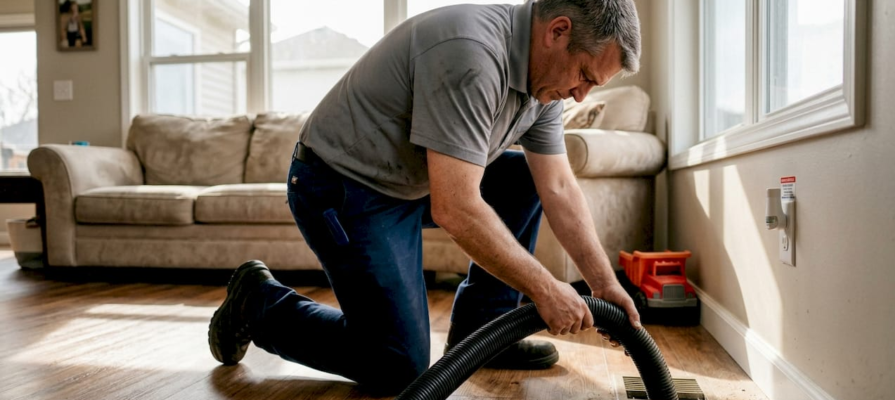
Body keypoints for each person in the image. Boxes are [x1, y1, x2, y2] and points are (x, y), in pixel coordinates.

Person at [209, 0, 643, 395]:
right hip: (341, 186)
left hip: (410, 182)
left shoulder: (542, 85)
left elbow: (559, 187)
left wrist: (604, 286)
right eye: (585, 76)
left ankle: (482, 335)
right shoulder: (472, 55)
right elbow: (456, 208)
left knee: (524, 178)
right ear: (558, 31)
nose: (581, 95)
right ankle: (258, 302)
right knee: (397, 365)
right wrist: (546, 290)